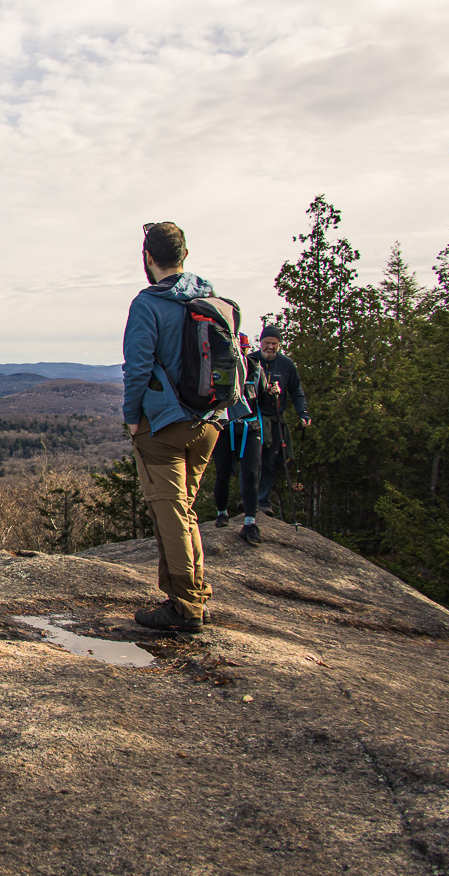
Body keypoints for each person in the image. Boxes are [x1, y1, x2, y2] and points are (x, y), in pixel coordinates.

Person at [123, 222, 223, 634]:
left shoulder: (148, 303)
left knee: (170, 514)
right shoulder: (211, 297)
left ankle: (184, 607)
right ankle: (194, 593)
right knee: (185, 511)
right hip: (209, 423)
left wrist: (132, 418)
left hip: (163, 426)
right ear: (185, 255)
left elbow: (138, 368)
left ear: (148, 258)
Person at [210, 333, 277, 544]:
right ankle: (222, 513)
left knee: (250, 475)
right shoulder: (219, 367)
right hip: (224, 427)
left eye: (244, 348)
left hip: (251, 428)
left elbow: (264, 402)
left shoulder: (256, 369)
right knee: (222, 474)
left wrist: (272, 393)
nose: (242, 352)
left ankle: (249, 522)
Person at [251, 325, 311, 516]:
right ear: (260, 342)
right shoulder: (249, 360)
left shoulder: (287, 365)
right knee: (252, 460)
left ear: (279, 345)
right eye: (267, 343)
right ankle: (247, 498)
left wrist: (303, 413)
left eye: (274, 344)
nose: (270, 347)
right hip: (253, 418)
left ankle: (263, 500)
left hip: (277, 418)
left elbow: (296, 391)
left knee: (272, 461)